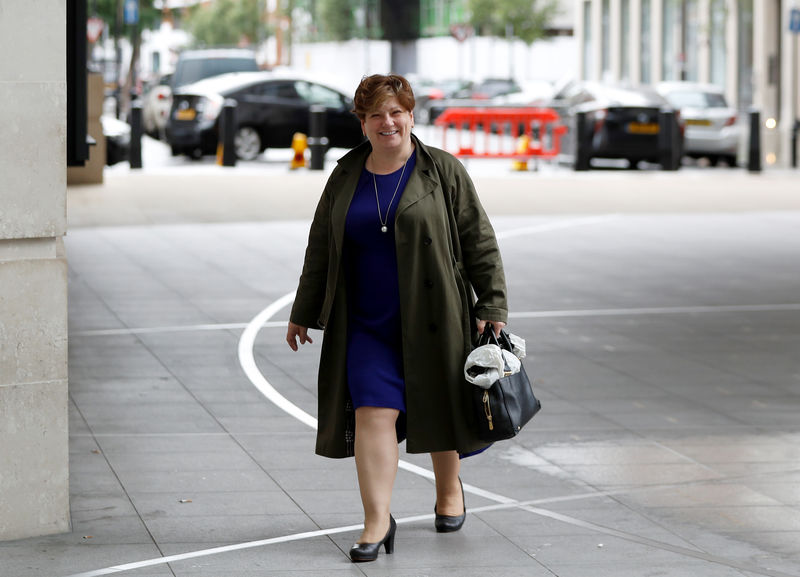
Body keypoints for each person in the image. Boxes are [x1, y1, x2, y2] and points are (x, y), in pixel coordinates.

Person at [286, 74, 507, 563]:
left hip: (434, 312)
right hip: (365, 322)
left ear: (410, 115)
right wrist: (303, 310)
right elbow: (320, 246)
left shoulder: (443, 171)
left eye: (396, 112)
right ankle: (376, 520)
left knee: (438, 404)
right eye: (376, 115)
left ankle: (450, 491)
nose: (388, 122)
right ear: (361, 123)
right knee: (371, 412)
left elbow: (479, 241)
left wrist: (491, 306)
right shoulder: (344, 175)